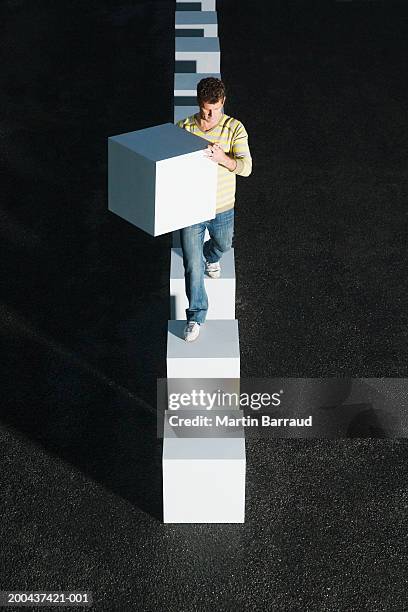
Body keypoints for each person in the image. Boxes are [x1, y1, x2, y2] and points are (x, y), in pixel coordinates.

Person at [176, 77, 252, 342]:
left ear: (223, 102)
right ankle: (196, 315)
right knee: (192, 264)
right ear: (198, 103)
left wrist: (223, 159)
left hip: (222, 207)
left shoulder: (234, 128)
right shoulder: (184, 127)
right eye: (206, 109)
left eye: (216, 108)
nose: (211, 115)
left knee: (223, 244)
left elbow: (246, 168)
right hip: (191, 209)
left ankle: (213, 256)